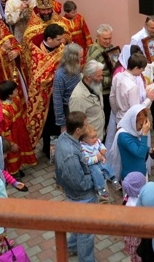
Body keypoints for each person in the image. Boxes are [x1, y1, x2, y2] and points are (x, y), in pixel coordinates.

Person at [54, 111, 97, 262]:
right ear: (78, 130)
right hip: (82, 197)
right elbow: (80, 183)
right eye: (85, 125)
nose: (88, 126)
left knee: (79, 225)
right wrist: (95, 178)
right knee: (86, 232)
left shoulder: (64, 138)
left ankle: (71, 247)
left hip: (73, 194)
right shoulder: (71, 154)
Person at [21, 22, 65, 153]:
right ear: (49, 39)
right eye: (58, 39)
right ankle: (48, 151)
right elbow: (38, 78)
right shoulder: (36, 51)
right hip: (41, 96)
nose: (62, 42)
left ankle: (55, 152)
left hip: (57, 94)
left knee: (56, 124)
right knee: (47, 125)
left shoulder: (61, 48)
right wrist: (56, 73)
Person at [130, 16, 154, 133]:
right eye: (152, 28)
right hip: (143, 73)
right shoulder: (136, 38)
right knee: (144, 98)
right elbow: (133, 58)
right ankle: (141, 124)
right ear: (146, 25)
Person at [109, 104, 154, 181]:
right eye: (141, 125)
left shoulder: (132, 131)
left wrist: (149, 150)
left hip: (141, 174)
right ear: (133, 121)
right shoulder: (123, 136)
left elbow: (137, 145)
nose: (142, 128)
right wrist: (144, 135)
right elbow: (140, 154)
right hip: (131, 179)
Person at [0, 80, 37, 177]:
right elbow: (5, 130)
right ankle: (13, 173)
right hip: (12, 135)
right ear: (9, 95)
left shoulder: (16, 99)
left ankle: (19, 168)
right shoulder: (4, 110)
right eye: (15, 90)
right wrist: (11, 143)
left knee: (20, 150)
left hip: (20, 131)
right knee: (13, 153)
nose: (17, 91)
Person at [85, 23, 115, 132]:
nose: (108, 41)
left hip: (110, 90)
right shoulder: (94, 53)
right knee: (104, 120)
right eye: (105, 39)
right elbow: (90, 75)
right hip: (102, 93)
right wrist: (111, 80)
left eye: (110, 38)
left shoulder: (110, 47)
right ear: (97, 37)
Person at [51, 43, 83, 137]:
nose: (81, 60)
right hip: (68, 110)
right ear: (72, 58)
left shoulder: (77, 67)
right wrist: (62, 124)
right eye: (79, 57)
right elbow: (57, 101)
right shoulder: (60, 75)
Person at [80, 125, 119, 202]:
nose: (95, 139)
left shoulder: (96, 141)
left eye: (96, 136)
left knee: (106, 165)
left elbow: (101, 145)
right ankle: (101, 188)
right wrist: (96, 158)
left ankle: (113, 178)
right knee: (97, 172)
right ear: (84, 140)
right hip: (92, 164)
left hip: (100, 159)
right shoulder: (83, 148)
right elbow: (86, 160)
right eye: (92, 138)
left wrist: (103, 149)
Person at [69, 60, 106, 140]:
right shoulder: (78, 97)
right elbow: (76, 126)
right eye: (98, 76)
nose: (101, 78)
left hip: (98, 137)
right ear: (89, 77)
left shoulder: (96, 85)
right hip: (88, 142)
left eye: (101, 75)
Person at [121, 172, 147, 262]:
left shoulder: (127, 197)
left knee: (134, 255)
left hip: (130, 234)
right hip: (138, 236)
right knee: (139, 255)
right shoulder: (141, 203)